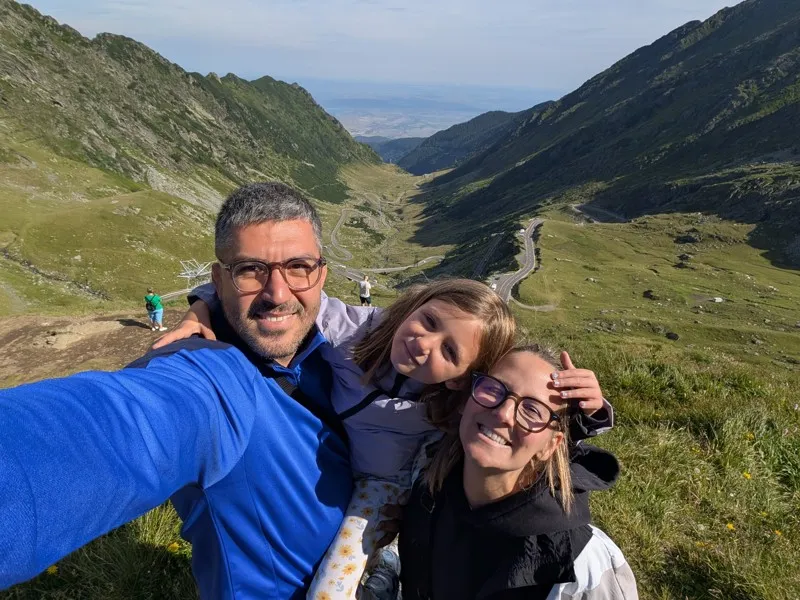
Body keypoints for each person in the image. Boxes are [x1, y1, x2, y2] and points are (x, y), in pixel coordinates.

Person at [0, 182, 360, 598]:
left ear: (322, 275)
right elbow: (120, 426)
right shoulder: (212, 379)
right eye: (250, 270)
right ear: (219, 279)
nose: (278, 294)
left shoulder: (340, 348)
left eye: (298, 266)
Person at [157, 280, 614, 600]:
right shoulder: (353, 329)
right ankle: (386, 567)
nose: (424, 344)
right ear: (416, 303)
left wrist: (591, 414)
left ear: (463, 380)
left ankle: (383, 565)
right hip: (330, 453)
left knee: (331, 587)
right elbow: (280, 298)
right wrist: (199, 310)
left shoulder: (460, 403)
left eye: (449, 351)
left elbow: (527, 434)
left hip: (383, 488)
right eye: (430, 320)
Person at [399, 345, 638, 599]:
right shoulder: (425, 485)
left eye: (532, 410)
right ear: (467, 398)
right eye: (493, 388)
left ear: (550, 445)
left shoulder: (582, 567)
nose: (503, 413)